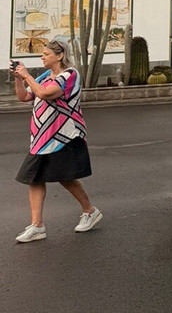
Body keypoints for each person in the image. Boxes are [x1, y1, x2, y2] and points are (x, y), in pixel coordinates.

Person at [11, 39, 103, 243]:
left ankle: (90, 211)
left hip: (64, 136)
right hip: (41, 138)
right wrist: (19, 79)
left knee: (66, 177)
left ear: (60, 55)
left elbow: (44, 94)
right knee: (33, 178)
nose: (42, 57)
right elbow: (24, 97)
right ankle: (37, 226)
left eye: (46, 54)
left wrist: (27, 75)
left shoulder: (70, 75)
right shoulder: (44, 76)